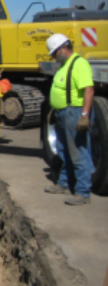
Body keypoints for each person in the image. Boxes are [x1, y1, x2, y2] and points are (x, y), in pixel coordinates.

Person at [44, 33, 95, 205]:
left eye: (55, 53)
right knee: (63, 150)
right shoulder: (63, 65)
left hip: (73, 112)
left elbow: (88, 90)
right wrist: (54, 109)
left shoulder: (79, 64)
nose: (54, 57)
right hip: (62, 112)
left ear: (63, 48)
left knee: (78, 151)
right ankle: (64, 183)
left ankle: (82, 192)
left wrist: (85, 115)